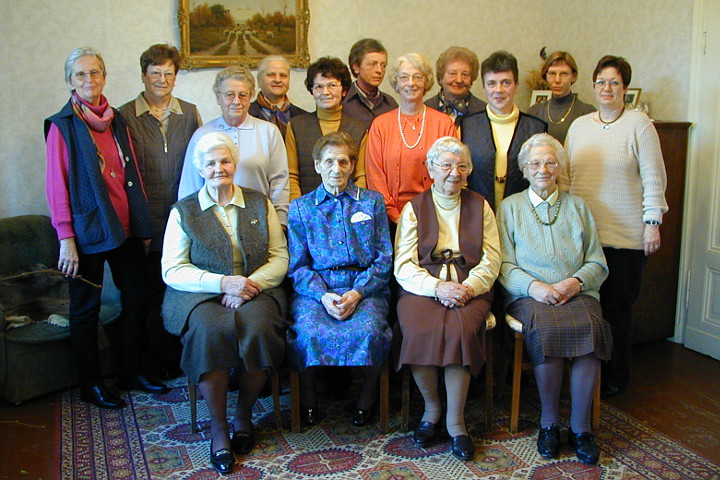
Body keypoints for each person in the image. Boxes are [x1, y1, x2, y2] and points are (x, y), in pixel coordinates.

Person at [45, 47, 168, 410]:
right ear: (70, 81)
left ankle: (129, 373)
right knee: (86, 309)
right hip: (86, 234)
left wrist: (143, 225)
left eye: (95, 73)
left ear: (104, 77)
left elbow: (132, 177)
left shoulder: (117, 121)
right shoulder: (62, 125)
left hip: (126, 229)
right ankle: (91, 384)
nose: (89, 81)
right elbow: (57, 186)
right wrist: (66, 238)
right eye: (81, 75)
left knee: (136, 300)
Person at [162, 132, 289, 474]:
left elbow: (279, 257)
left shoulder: (259, 202)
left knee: (260, 327)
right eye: (211, 163)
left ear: (235, 164)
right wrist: (220, 283)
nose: (219, 168)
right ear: (201, 169)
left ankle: (243, 414)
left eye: (225, 161)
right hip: (198, 293)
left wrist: (248, 284)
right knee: (211, 329)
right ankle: (218, 429)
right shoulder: (184, 211)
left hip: (255, 289)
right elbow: (172, 269)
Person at [497, 133, 610, 465]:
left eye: (549, 162)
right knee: (547, 332)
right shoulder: (509, 207)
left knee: (592, 330)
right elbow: (503, 264)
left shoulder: (578, 206)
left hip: (576, 293)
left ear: (559, 167)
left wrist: (575, 283)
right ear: (524, 169)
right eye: (535, 163)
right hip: (529, 295)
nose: (543, 168)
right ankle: (549, 424)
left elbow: (597, 261)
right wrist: (536, 288)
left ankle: (580, 428)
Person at [563, 55, 668, 398]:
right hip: (585, 237)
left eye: (614, 83)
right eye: (601, 83)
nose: (607, 89)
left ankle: (615, 376)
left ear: (626, 88)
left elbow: (655, 178)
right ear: (593, 87)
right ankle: (584, 375)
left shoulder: (640, 125)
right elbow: (567, 178)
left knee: (616, 311)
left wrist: (652, 223)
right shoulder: (579, 126)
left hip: (625, 238)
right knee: (586, 310)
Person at [394, 137, 501, 461]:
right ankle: (431, 410)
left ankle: (456, 423)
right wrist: (436, 287)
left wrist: (471, 287)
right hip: (423, 288)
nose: (454, 172)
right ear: (430, 169)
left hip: (471, 288)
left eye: (461, 166)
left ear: (468, 171)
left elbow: (493, 258)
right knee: (418, 330)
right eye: (446, 165)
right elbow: (403, 263)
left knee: (461, 331)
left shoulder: (480, 205)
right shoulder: (414, 208)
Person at [286, 132, 393, 427]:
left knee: (371, 332)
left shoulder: (371, 202)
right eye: (329, 161)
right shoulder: (301, 208)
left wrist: (358, 292)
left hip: (366, 287)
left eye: (343, 161)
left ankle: (367, 398)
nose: (337, 168)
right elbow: (298, 266)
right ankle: (308, 399)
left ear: (352, 165)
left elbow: (384, 258)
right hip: (317, 291)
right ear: (317, 165)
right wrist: (322, 295)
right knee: (306, 333)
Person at [119, 43, 202, 379]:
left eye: (169, 73)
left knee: (179, 293)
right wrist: (137, 226)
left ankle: (177, 360)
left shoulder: (191, 113)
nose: (162, 80)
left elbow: (198, 167)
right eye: (156, 73)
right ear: (143, 75)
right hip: (144, 222)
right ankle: (147, 366)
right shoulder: (124, 116)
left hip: (182, 220)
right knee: (146, 295)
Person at [177, 66, 290, 225]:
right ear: (218, 98)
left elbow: (280, 183)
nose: (237, 101)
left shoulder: (269, 132)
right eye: (229, 95)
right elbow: (189, 188)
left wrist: (280, 222)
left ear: (250, 97)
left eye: (243, 95)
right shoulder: (202, 135)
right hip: (212, 223)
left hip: (259, 221)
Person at [367, 53, 458, 225]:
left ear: (426, 82)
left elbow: (452, 172)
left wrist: (432, 214)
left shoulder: (444, 124)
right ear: (396, 82)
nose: (411, 83)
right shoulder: (380, 125)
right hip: (390, 220)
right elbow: (375, 176)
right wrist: (394, 215)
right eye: (404, 77)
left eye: (418, 77)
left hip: (436, 217)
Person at [461, 50, 547, 210]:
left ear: (516, 85)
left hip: (524, 215)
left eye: (506, 83)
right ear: (484, 87)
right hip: (477, 214)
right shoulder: (466, 126)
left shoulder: (537, 128)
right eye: (491, 83)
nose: (498, 90)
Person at [286, 56, 369, 201]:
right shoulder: (295, 126)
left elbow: (361, 176)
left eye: (332, 85)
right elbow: (291, 176)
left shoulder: (359, 129)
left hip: (349, 211)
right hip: (308, 213)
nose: (325, 92)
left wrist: (351, 207)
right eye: (319, 86)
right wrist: (301, 209)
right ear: (312, 90)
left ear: (343, 90)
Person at [527, 51, 595, 143]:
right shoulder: (534, 112)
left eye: (564, 74)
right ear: (545, 76)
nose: (557, 80)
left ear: (573, 76)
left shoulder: (587, 113)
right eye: (552, 74)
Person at [248, 55, 308, 138]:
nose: (277, 80)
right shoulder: (245, 114)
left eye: (283, 75)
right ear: (259, 80)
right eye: (271, 75)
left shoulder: (305, 118)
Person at [425, 46, 486, 125]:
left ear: (472, 78)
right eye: (452, 73)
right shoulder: (425, 110)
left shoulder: (484, 111)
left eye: (465, 74)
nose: (459, 80)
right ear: (441, 76)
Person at [342, 38, 398, 123]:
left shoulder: (390, 104)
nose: (379, 70)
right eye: (372, 64)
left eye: (383, 65)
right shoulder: (342, 101)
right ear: (356, 67)